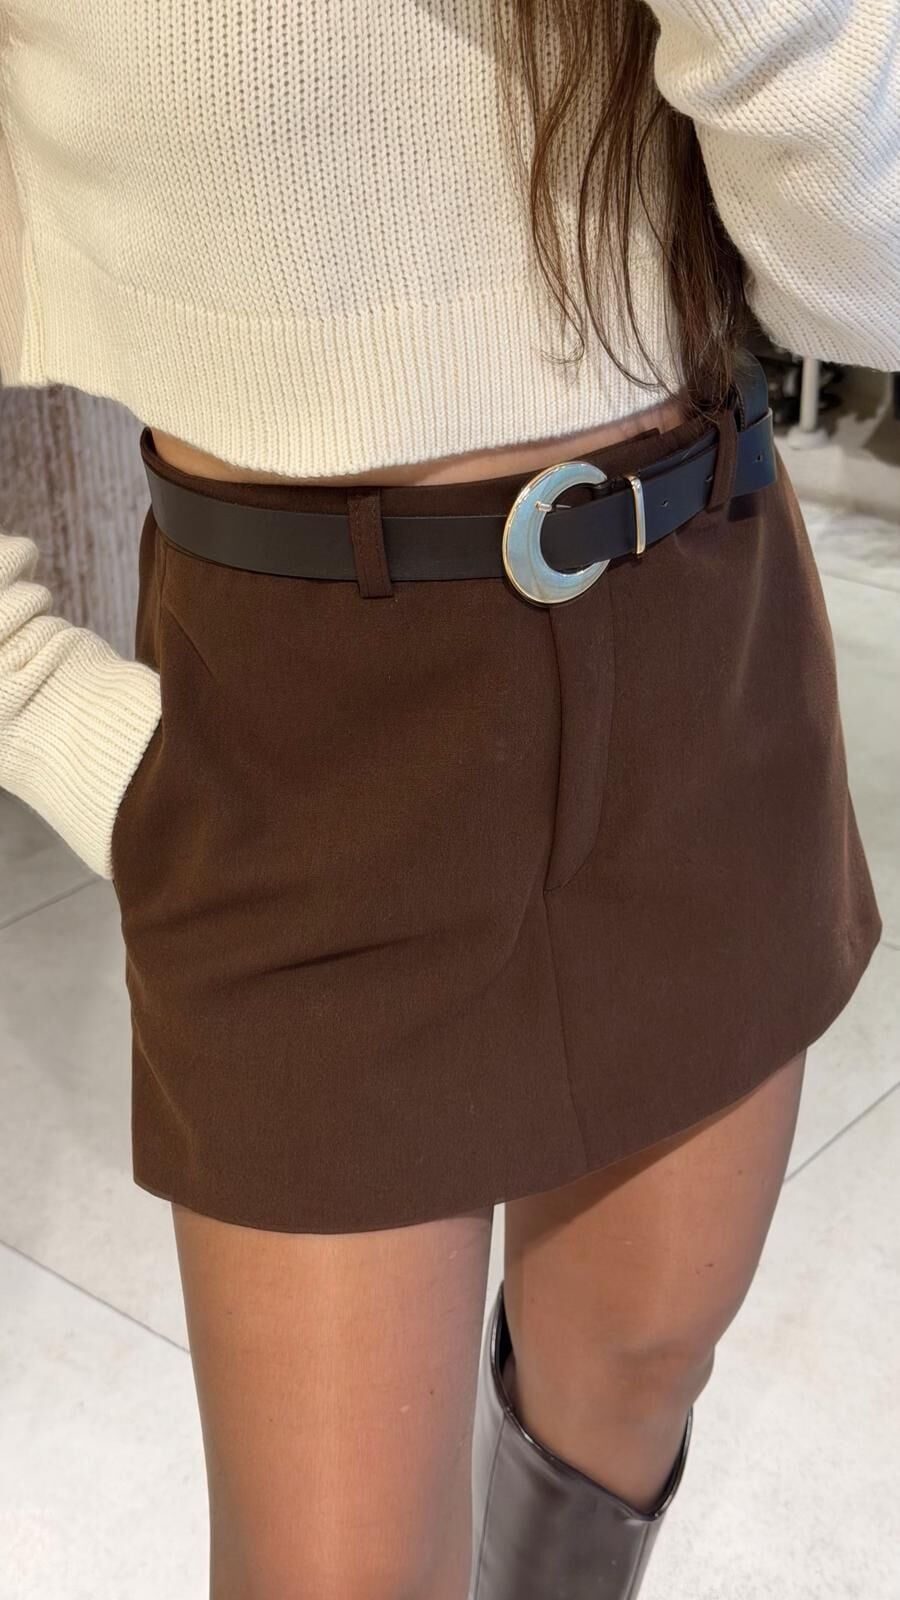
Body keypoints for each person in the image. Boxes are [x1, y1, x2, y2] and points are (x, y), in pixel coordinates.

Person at [0, 1, 895, 1595]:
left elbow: (866, 282)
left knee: (627, 1384)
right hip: (301, 716)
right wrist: (41, 700)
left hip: (696, 624)